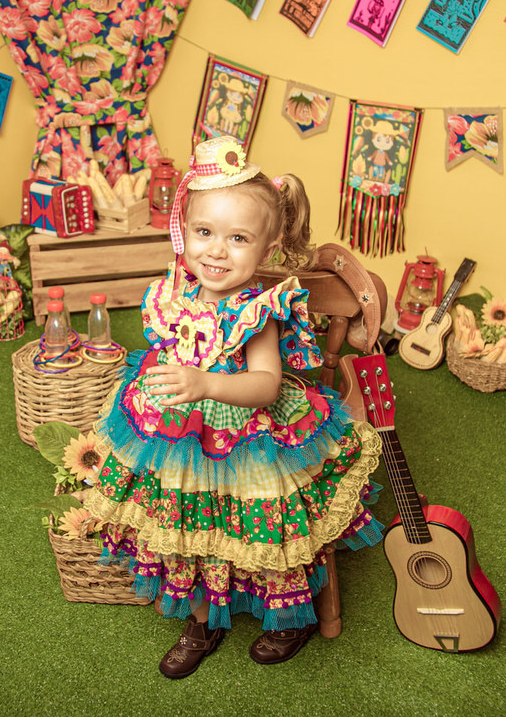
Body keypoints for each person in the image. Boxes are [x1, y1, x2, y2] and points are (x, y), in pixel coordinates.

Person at [84, 135, 383, 679]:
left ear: (266, 251)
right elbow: (169, 349)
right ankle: (202, 617)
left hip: (249, 435)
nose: (216, 251)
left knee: (262, 523)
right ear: (185, 233)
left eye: (237, 238)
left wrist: (206, 383)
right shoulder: (173, 293)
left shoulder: (256, 310)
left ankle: (287, 619)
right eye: (204, 232)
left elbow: (266, 385)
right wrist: (172, 379)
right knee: (187, 522)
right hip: (180, 434)